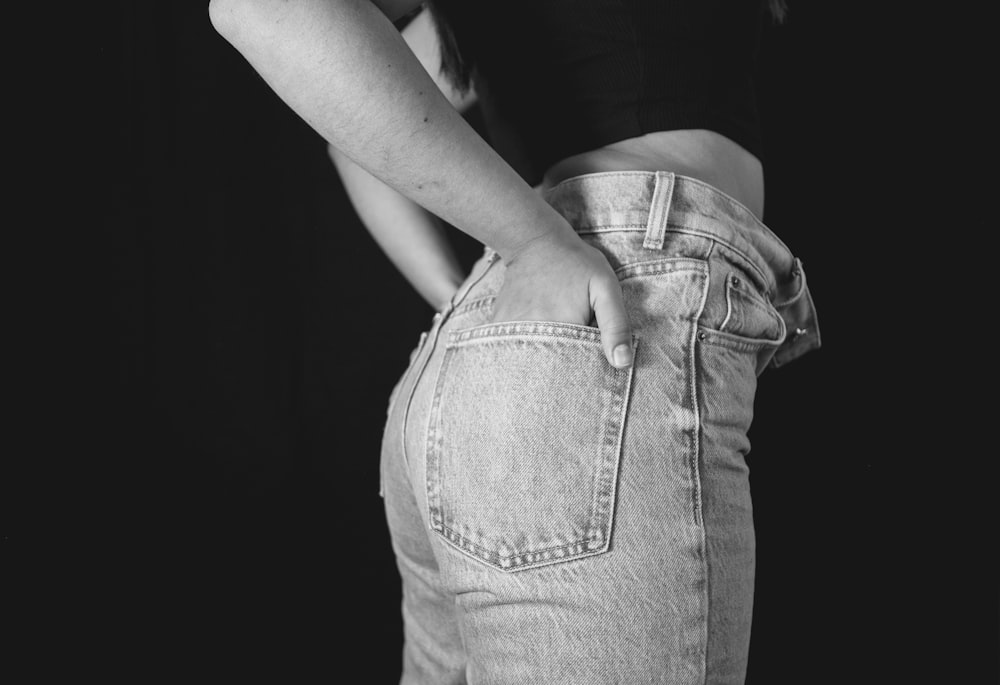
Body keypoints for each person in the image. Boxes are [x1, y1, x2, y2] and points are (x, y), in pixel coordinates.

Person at [209, 0, 821, 682]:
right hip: (609, 336)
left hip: (503, 368)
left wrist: (477, 300)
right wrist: (530, 245)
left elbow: (349, 134)